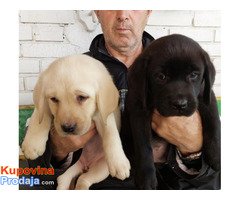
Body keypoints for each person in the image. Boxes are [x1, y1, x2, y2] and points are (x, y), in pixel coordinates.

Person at [21, 10, 220, 190]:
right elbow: (37, 177)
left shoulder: (182, 60)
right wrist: (58, 150)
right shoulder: (70, 71)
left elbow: (215, 180)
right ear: (97, 13)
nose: (122, 14)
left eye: (133, 5)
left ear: (148, 11)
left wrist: (193, 150)